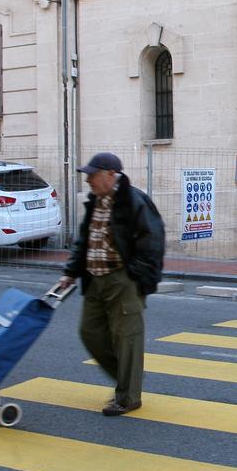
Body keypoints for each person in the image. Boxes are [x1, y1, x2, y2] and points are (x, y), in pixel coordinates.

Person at [58, 152, 164, 416]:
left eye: (92, 175)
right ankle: (126, 375)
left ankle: (128, 397)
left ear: (110, 174)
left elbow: (152, 242)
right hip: (94, 278)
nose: (88, 180)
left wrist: (138, 277)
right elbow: (85, 240)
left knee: (126, 338)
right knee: (89, 331)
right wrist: (71, 272)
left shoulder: (133, 200)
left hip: (122, 279)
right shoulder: (96, 201)